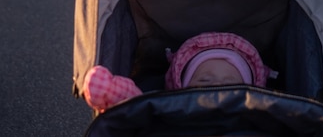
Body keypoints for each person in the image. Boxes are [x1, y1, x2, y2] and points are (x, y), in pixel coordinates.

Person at [83, 31, 275, 113]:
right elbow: (134, 107)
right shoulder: (164, 105)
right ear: (180, 86)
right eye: (204, 82)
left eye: (232, 84)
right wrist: (109, 90)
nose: (217, 88)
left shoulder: (262, 114)